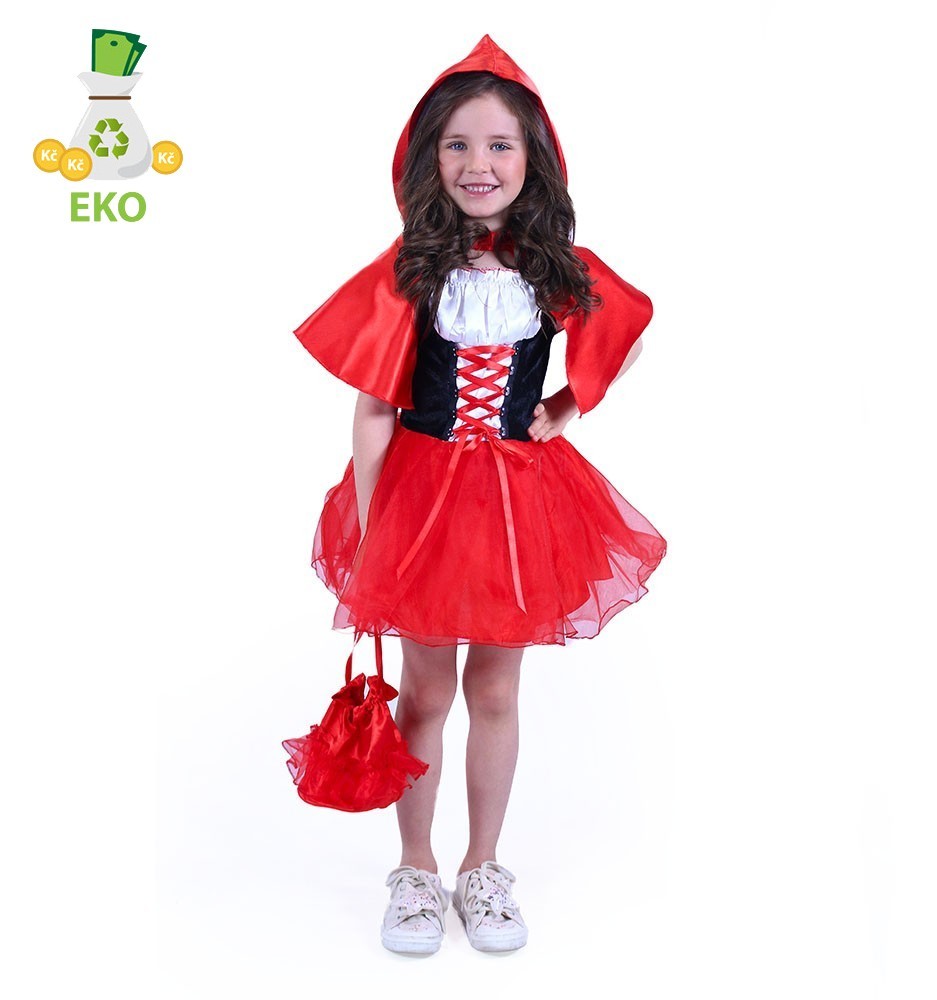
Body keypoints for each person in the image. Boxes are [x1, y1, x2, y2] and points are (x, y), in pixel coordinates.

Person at [290, 35, 668, 955]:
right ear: (429, 157)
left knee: (495, 688)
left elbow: (628, 328)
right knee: (426, 691)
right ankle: (416, 869)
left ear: (535, 157)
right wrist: (374, 527)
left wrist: (564, 409)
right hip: (421, 500)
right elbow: (373, 410)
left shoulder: (553, 267)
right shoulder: (409, 271)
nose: (478, 163)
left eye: (500, 144)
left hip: (520, 502)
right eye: (457, 144)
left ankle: (483, 868)